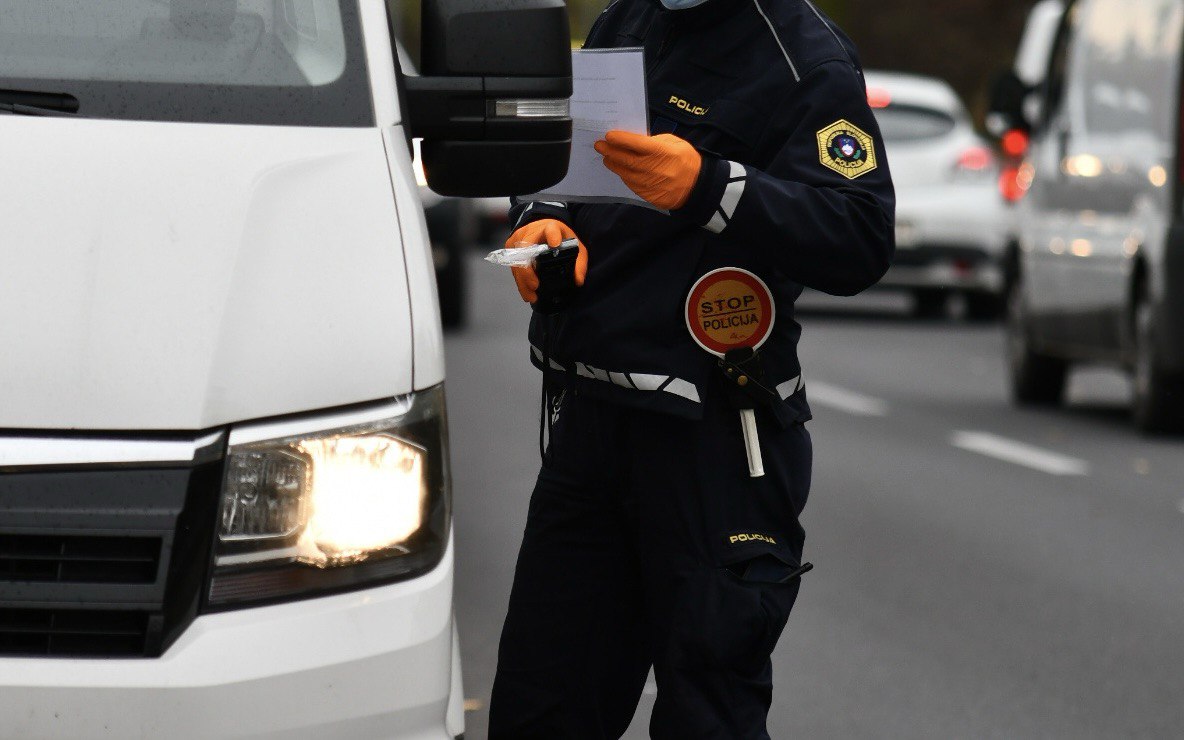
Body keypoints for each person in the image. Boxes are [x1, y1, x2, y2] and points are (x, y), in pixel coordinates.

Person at [488, 0, 895, 736]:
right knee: (539, 709)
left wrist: (715, 187)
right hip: (589, 428)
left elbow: (860, 235)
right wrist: (538, 217)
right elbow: (561, 153)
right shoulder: (624, 23)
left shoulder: (807, 59)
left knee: (710, 715)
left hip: (715, 441)